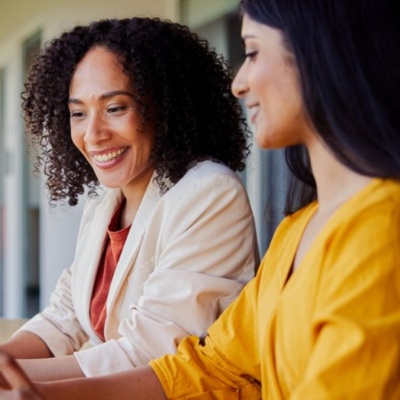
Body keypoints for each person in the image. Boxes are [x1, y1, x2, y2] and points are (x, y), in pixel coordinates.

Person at [1, 0, 400, 398]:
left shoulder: (378, 230)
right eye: (78, 113)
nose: (239, 83)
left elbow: (153, 353)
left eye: (253, 52)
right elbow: (213, 366)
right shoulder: (295, 231)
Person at [0, 17, 259, 384]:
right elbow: (65, 314)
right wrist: (5, 360)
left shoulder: (210, 192)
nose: (93, 134)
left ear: (165, 107)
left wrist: (11, 377)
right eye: (78, 113)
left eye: (115, 108)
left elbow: (149, 352)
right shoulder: (107, 199)